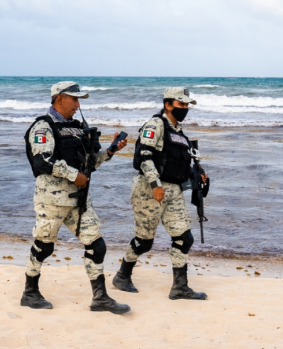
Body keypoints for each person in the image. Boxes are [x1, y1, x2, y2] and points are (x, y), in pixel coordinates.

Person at [21, 81, 130, 314]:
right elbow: (42, 162)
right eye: (74, 99)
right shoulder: (43, 127)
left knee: (97, 245)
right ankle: (30, 293)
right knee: (43, 246)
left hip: (78, 200)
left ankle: (100, 298)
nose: (78, 104)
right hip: (52, 199)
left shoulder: (78, 128)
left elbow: (89, 165)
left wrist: (110, 151)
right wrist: (73, 175)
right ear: (59, 98)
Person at [112, 87, 208, 300]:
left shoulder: (179, 132)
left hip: (173, 191)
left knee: (184, 237)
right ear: (168, 104)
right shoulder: (155, 125)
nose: (184, 108)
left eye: (186, 105)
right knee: (144, 241)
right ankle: (122, 276)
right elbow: (144, 156)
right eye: (181, 104)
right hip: (149, 189)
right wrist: (155, 185)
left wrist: (197, 174)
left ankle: (180, 287)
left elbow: (176, 162)